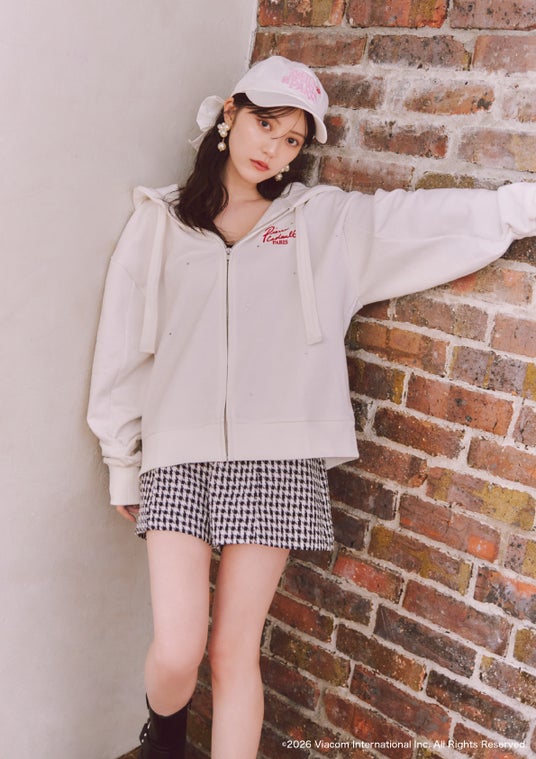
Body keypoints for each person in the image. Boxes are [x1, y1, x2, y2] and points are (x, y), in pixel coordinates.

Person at [87, 56, 536, 759]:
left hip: (280, 457)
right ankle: (164, 737)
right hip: (177, 453)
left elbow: (416, 221)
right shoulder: (161, 222)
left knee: (234, 652)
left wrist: (517, 208)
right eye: (266, 124)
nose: (274, 148)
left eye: (293, 139)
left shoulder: (323, 223)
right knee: (177, 649)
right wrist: (122, 460)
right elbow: (122, 349)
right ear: (230, 115)